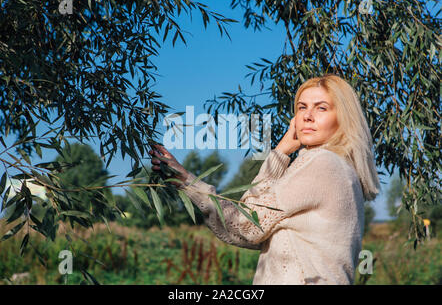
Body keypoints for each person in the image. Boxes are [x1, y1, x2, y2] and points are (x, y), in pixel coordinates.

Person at [148, 74, 380, 285]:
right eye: (302, 107)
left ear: (342, 118)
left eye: (322, 108)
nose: (308, 116)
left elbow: (246, 223)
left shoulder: (322, 163)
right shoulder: (342, 169)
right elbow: (246, 232)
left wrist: (279, 153)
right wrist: (187, 182)